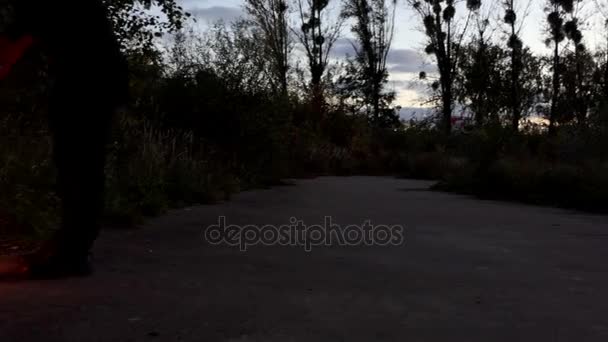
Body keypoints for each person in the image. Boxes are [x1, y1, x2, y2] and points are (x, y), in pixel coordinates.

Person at [0, 0, 129, 278]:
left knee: (78, 163)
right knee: (78, 162)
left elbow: (12, 44)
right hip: (92, 75)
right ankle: (67, 246)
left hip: (89, 78)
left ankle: (72, 254)